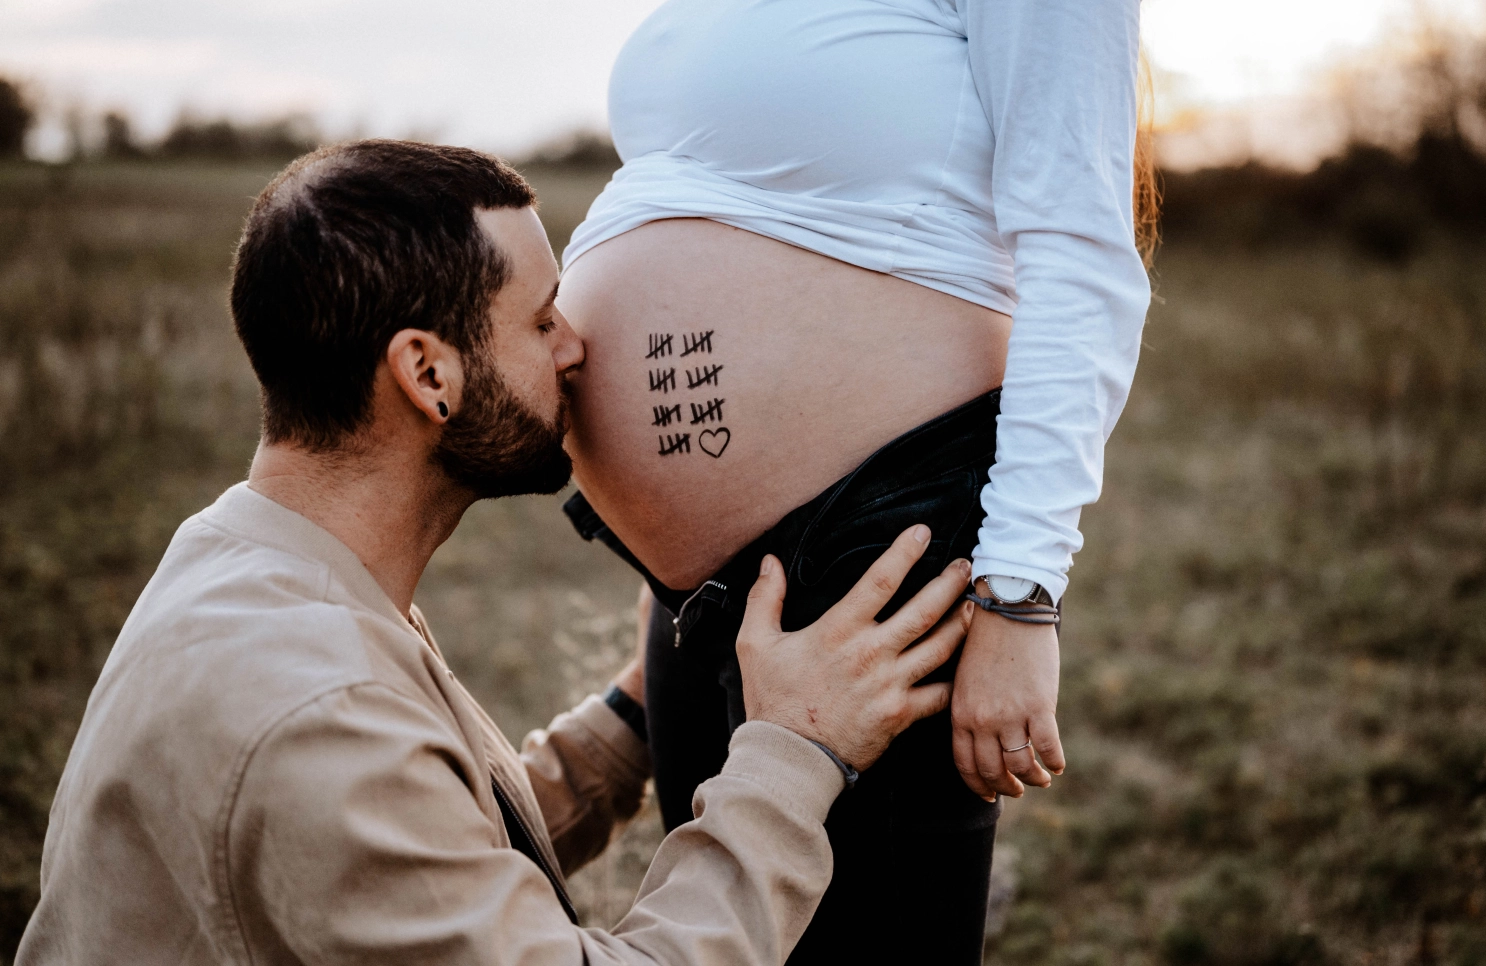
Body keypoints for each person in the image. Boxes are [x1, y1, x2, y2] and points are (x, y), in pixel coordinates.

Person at [15, 140, 978, 966]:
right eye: (540, 317)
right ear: (427, 373)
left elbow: (415, 868)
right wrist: (795, 751)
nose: (576, 346)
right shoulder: (314, 713)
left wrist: (630, 719)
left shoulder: (257, 567)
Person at [555, 0, 1157, 961]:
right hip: (695, 596)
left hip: (880, 545)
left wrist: (1021, 593)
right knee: (723, 930)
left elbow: (1081, 250)